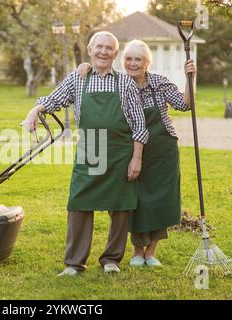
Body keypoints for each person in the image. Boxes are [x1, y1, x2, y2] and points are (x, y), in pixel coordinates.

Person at [23, 32, 149, 276]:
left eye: (109, 48)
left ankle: (111, 259)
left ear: (115, 53)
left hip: (120, 151)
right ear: (90, 50)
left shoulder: (125, 83)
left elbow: (139, 125)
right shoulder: (78, 78)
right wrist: (34, 112)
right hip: (91, 147)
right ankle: (74, 263)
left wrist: (136, 159)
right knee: (79, 203)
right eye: (99, 47)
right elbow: (54, 99)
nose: (103, 51)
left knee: (121, 207)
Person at [77, 39, 196, 267]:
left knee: (160, 200)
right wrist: (86, 67)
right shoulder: (118, 82)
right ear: (123, 61)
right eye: (129, 59)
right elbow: (96, 76)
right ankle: (136, 250)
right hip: (130, 150)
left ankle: (151, 252)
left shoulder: (159, 83)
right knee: (134, 200)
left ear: (146, 63)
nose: (133, 63)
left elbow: (184, 105)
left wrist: (191, 77)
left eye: (138, 59)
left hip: (162, 150)